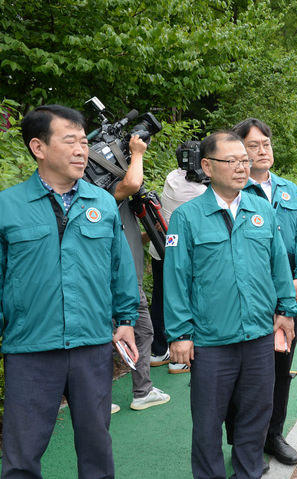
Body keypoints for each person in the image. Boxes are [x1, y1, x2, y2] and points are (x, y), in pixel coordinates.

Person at [0, 104, 139, 477]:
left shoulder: (103, 203)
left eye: (83, 141)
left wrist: (126, 319)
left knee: (96, 449)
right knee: (21, 454)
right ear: (38, 147)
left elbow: (120, 267)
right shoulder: (7, 207)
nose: (82, 150)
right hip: (30, 348)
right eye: (70, 141)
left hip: (91, 347)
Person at [163, 131, 297, 478]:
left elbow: (278, 266)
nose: (242, 167)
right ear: (207, 167)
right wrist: (180, 334)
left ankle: (249, 470)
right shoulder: (187, 217)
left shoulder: (261, 210)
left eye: (245, 160)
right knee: (208, 421)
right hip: (211, 340)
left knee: (256, 413)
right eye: (233, 161)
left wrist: (286, 310)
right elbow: (176, 278)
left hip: (257, 335)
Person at [231, 118, 297, 465]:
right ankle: (243, 444)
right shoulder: (233, 191)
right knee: (244, 380)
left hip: (289, 303)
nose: (262, 150)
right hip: (249, 303)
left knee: (280, 373)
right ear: (239, 152)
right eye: (254, 145)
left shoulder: (288, 190)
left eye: (266, 143)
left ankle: (272, 436)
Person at [108, 125, 170, 411]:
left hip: (123, 274)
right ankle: (102, 396)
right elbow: (132, 184)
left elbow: (128, 230)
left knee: (141, 331)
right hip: (119, 278)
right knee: (130, 331)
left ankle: (141, 390)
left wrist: (152, 231)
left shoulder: (106, 197)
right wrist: (137, 153)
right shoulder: (101, 188)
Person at [148, 166, 208, 374]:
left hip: (160, 249)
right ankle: (179, 358)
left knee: (160, 298)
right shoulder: (202, 189)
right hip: (185, 254)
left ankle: (158, 350)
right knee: (185, 300)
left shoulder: (171, 177)